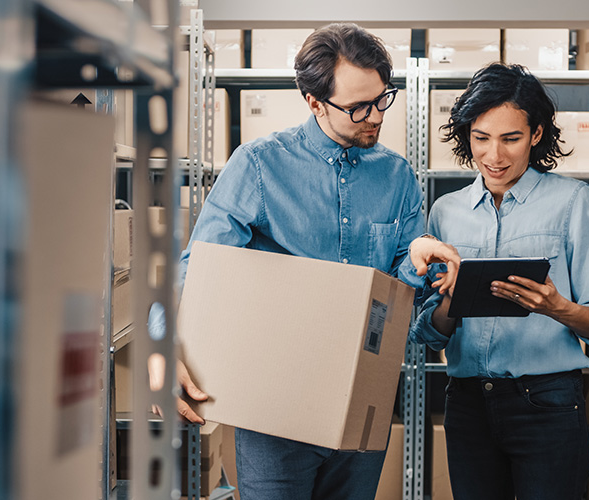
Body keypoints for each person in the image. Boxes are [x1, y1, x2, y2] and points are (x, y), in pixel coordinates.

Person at [163, 22, 461, 500]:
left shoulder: (398, 177)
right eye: (358, 107)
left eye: (382, 99)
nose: (375, 117)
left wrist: (416, 261)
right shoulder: (258, 166)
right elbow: (197, 269)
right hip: (274, 407)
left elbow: (399, 292)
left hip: (362, 399)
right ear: (314, 102)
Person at [410, 63, 589, 500]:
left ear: (536, 134)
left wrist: (556, 307)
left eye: (511, 139)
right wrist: (450, 299)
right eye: (481, 138)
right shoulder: (445, 212)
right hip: (467, 403)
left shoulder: (572, 201)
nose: (494, 156)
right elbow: (430, 334)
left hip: (547, 401)